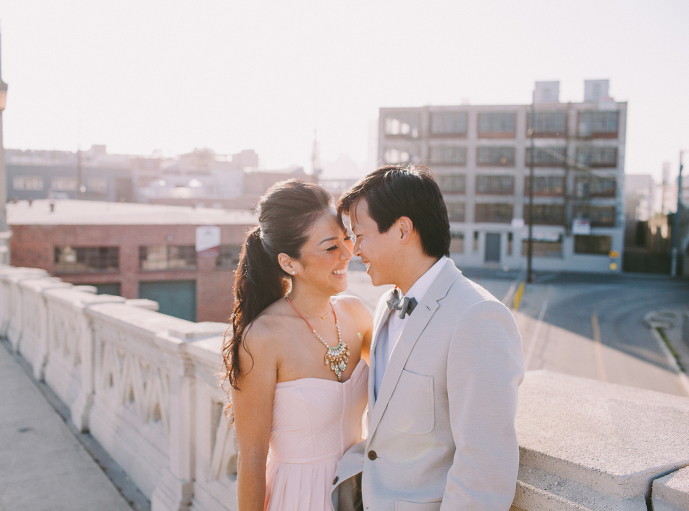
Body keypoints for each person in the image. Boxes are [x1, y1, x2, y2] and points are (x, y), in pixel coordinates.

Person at [331, 164, 525, 511]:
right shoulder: (385, 306)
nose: (354, 251)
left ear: (403, 230)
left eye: (359, 235)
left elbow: (484, 466)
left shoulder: (478, 317)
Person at [222, 179, 373, 511]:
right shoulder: (262, 338)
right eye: (331, 246)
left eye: (346, 238)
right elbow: (252, 457)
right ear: (289, 263)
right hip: (296, 498)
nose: (349, 252)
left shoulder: (357, 314)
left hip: (358, 494)